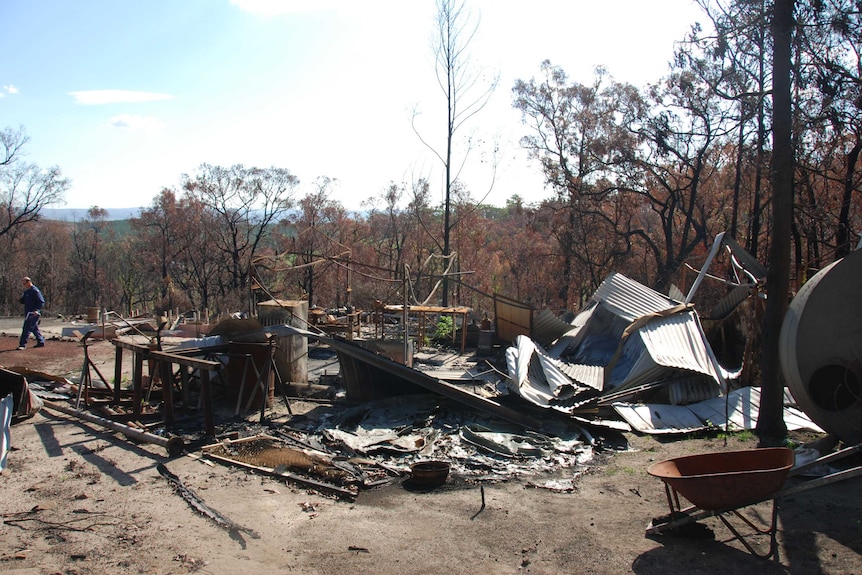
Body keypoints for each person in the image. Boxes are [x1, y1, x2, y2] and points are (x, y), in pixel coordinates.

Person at [17, 276, 45, 350]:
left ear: (29, 282)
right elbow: (24, 301)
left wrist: (37, 310)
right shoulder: (27, 292)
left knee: (26, 328)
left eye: (24, 283)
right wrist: (19, 299)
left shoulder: (35, 291)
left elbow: (41, 302)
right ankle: (41, 341)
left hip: (33, 313)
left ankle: (22, 344)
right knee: (34, 328)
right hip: (27, 312)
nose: (24, 285)